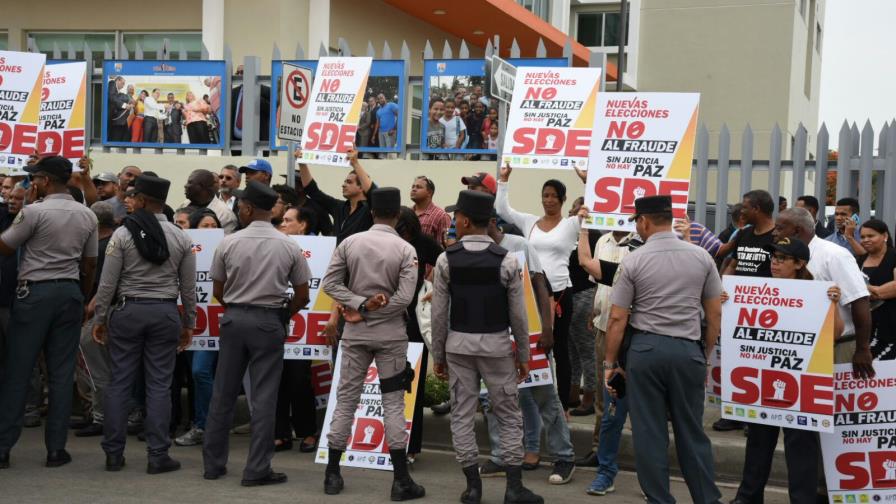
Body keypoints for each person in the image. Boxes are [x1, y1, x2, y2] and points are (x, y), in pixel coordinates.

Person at [602, 195, 723, 504]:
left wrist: (610, 363)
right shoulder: (701, 257)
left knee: (650, 434)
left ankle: (660, 500)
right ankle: (707, 499)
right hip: (689, 350)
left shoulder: (634, 259)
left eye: (637, 223)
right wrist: (704, 355)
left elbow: (617, 317)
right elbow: (714, 314)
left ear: (644, 221)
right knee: (692, 433)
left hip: (646, 351)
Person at [432, 190, 542, 504]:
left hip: (459, 347)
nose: (454, 222)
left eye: (456, 217)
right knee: (508, 414)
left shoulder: (446, 259)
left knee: (462, 415)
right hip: (496, 346)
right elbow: (519, 316)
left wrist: (438, 355)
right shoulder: (506, 259)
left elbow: (439, 314)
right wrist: (524, 355)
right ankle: (514, 488)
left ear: (465, 221)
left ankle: (472, 487)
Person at [202, 181, 311, 486]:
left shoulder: (228, 242)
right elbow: (302, 295)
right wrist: (280, 316)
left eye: (241, 205)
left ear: (249, 208)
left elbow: (218, 290)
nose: (238, 208)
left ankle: (213, 465)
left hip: (234, 320)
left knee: (223, 393)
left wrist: (238, 308)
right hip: (268, 322)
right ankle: (257, 469)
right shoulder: (288, 245)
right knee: (264, 398)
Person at [320, 187, 424, 501]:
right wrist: (375, 307)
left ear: (372, 212)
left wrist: (360, 306)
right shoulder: (406, 250)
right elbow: (405, 298)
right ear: (397, 214)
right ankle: (401, 481)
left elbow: (331, 284)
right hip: (391, 335)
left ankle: (332, 474)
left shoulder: (351, 242)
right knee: (393, 404)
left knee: (346, 399)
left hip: (355, 334)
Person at [91, 175, 196, 473]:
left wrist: (100, 318)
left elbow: (107, 284)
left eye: (135, 196)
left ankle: (113, 453)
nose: (130, 200)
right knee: (160, 385)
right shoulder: (181, 237)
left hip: (128, 312)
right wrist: (188, 322)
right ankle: (157, 454)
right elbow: (188, 289)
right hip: (164, 313)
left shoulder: (122, 235)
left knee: (120, 381)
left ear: (146, 201)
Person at [727, 236, 842, 504]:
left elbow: (835, 333)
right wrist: (727, 300)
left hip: (802, 381)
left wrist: (833, 303)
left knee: (801, 446)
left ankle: (802, 499)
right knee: (758, 442)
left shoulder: (818, 291)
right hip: (763, 379)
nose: (774, 263)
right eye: (773, 257)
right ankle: (748, 497)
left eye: (782, 259)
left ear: (799, 264)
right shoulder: (756, 290)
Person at [0, 156, 98, 470]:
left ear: (45, 180)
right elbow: (90, 263)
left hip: (35, 293)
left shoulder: (33, 212)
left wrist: (25, 207)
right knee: (60, 373)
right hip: (69, 292)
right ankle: (56, 450)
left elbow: (5, 247)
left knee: (18, 371)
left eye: (35, 178)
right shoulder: (87, 215)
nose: (31, 184)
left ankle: (3, 448)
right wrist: (82, 297)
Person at [496, 163, 581, 410]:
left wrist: (589, 180)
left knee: (560, 348)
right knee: (530, 346)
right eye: (546, 195)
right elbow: (503, 209)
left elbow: (596, 212)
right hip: (531, 295)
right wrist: (504, 179)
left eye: (555, 196)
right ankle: (532, 403)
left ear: (563, 200)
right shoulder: (529, 222)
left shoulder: (571, 224)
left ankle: (562, 406)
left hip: (562, 293)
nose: (549, 200)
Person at [773, 207, 874, 375]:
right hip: (799, 347)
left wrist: (862, 349)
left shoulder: (833, 255)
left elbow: (860, 299)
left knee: (834, 398)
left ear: (797, 231)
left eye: (780, 228)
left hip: (838, 345)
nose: (774, 232)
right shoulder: (781, 257)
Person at [394, 207, 442, 463]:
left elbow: (447, 265)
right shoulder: (387, 242)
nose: (400, 235)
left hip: (413, 321)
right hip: (387, 317)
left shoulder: (425, 244)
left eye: (403, 230)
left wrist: (437, 288)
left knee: (414, 383)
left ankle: (411, 447)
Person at [174, 209, 222, 448]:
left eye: (214, 225)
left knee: (200, 371)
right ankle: (198, 421)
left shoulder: (226, 248)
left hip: (213, 326)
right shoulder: (182, 249)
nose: (211, 230)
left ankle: (207, 425)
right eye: (205, 225)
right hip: (187, 322)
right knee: (193, 375)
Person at [273, 205, 318, 454]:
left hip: (305, 325)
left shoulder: (319, 247)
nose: (282, 224)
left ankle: (307, 431)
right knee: (276, 377)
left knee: (300, 378)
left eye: (288, 220)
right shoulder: (274, 245)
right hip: (276, 321)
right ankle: (280, 432)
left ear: (303, 225)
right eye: (281, 220)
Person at [73, 202, 119, 438]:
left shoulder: (105, 246)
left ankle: (101, 417)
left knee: (96, 368)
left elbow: (104, 286)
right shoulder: (111, 242)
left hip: (98, 312)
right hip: (106, 311)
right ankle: (95, 414)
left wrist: (90, 312)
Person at [297, 148, 375, 243]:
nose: (343, 185)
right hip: (337, 256)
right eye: (345, 181)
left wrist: (355, 164)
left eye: (349, 182)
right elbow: (313, 191)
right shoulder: (339, 207)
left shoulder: (370, 209)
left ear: (361, 187)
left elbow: (373, 192)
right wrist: (302, 163)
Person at [567, 197, 600, 415]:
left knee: (586, 350)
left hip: (585, 295)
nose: (575, 212)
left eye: (580, 210)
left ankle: (589, 398)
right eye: (573, 208)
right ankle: (571, 394)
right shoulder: (568, 232)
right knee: (571, 349)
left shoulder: (595, 236)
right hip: (568, 296)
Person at [857, 219, 896, 360]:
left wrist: (864, 290)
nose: (865, 240)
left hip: (890, 325)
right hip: (865, 325)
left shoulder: (893, 256)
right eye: (862, 237)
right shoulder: (860, 259)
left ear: (884, 236)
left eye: (871, 236)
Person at [180, 169, 238, 234]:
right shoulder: (184, 204)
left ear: (203, 187)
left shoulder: (225, 215)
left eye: (190, 182)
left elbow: (225, 242)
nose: (185, 186)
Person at [410, 175, 450, 243]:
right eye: (413, 187)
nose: (414, 189)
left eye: (418, 187)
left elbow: (446, 245)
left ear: (429, 193)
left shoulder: (441, 216)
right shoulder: (407, 213)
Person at [108, 76, 133, 142]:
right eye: (122, 83)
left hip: (116, 118)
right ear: (118, 81)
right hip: (110, 115)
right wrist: (125, 105)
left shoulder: (117, 90)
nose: (123, 86)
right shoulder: (112, 83)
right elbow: (112, 98)